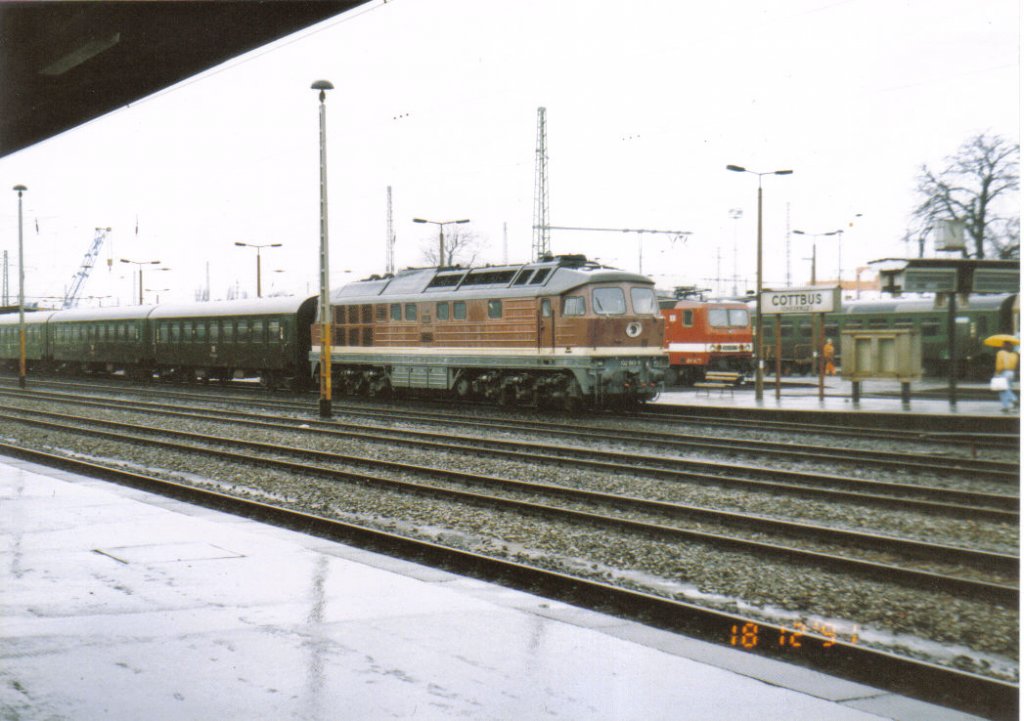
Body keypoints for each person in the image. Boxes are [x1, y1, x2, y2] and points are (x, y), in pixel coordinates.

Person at [994, 340, 1019, 412]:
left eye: (1003, 344)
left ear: (1004, 346)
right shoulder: (1014, 354)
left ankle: (1014, 399)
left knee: (1003, 389)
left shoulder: (1000, 353)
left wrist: (997, 372)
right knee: (1007, 388)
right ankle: (1006, 406)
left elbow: (999, 365)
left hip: (1003, 372)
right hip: (1011, 372)